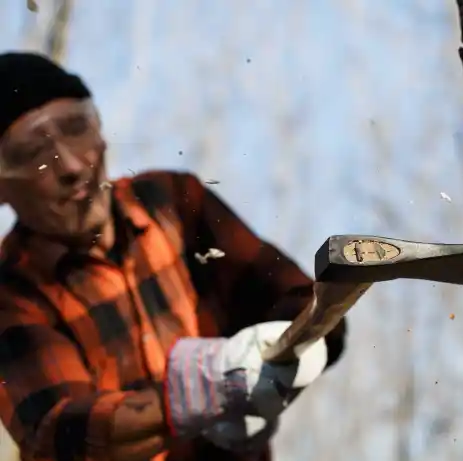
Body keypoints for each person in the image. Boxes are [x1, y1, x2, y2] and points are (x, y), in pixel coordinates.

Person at [0, 52, 347, 461]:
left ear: (101, 132)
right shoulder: (11, 290)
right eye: (30, 153)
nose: (73, 166)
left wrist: (273, 364)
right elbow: (58, 433)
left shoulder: (175, 203)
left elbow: (311, 308)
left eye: (77, 128)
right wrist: (197, 395)